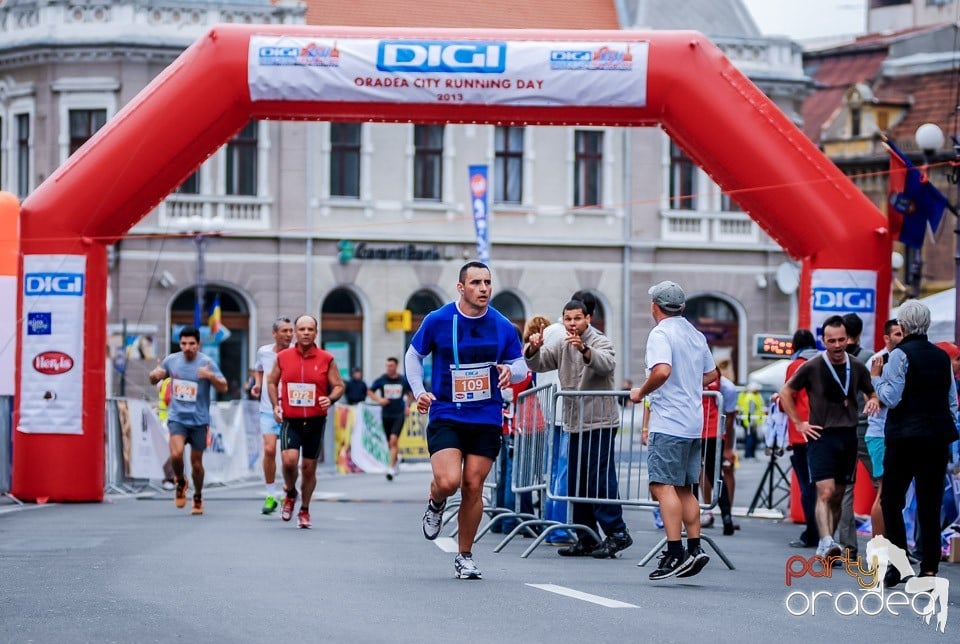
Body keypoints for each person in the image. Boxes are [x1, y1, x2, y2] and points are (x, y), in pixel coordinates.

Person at [406, 261, 527, 580]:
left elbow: (521, 366)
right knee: (449, 482)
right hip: (447, 412)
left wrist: (508, 371)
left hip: (486, 416)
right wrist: (419, 391)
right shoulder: (439, 319)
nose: (484, 288)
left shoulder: (502, 325)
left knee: (474, 485)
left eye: (487, 282)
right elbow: (414, 355)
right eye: (476, 283)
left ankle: (465, 556)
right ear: (461, 287)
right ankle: (436, 502)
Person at [525, 299, 632, 559]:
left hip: (599, 421)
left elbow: (606, 364)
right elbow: (538, 365)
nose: (572, 324)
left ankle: (617, 532)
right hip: (574, 422)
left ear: (588, 319)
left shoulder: (599, 340)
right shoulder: (562, 343)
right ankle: (587, 536)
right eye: (567, 319)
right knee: (576, 481)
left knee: (599, 479)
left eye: (577, 318)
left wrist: (585, 349)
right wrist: (532, 349)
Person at [630, 281, 717, 580]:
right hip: (693, 421)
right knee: (684, 488)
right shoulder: (694, 333)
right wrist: (689, 383)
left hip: (668, 420)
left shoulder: (661, 333)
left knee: (662, 486)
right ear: (681, 307)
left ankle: (674, 551)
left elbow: (662, 370)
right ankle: (695, 548)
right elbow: (712, 374)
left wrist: (641, 392)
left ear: (655, 306)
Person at [872, 300, 959, 586]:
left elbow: (891, 397)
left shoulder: (899, 355)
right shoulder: (941, 357)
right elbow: (951, 401)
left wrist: (876, 379)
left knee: (891, 499)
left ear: (904, 326)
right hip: (936, 437)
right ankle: (930, 566)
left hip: (904, 437)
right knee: (929, 502)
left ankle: (899, 563)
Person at [779, 316, 879, 561]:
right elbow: (785, 393)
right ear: (823, 341)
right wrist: (799, 423)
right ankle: (824, 541)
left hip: (848, 435)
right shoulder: (812, 366)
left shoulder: (856, 366)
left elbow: (870, 390)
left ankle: (830, 542)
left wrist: (874, 399)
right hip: (821, 436)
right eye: (831, 341)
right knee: (825, 491)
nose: (837, 345)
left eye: (841, 340)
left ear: (848, 339)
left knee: (838, 495)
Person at [266, 314, 345, 529]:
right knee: (289, 461)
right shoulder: (283, 357)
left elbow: (339, 385)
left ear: (316, 332)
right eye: (302, 329)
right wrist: (276, 405)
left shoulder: (326, 359)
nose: (306, 333)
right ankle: (290, 492)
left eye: (310, 329)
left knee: (309, 468)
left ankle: (304, 509)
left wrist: (330, 398)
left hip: (315, 420)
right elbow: (271, 382)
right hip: (291, 418)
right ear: (296, 332)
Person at [149, 326, 228, 515]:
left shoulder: (207, 362)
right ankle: (181, 481)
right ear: (180, 343)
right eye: (184, 343)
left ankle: (198, 495)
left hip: (199, 420)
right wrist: (154, 376)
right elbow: (155, 377)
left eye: (191, 343)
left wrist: (209, 376)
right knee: (176, 455)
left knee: (197, 463)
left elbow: (223, 386)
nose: (187, 347)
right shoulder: (172, 361)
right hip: (177, 418)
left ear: (198, 344)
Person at [250, 316, 294, 514]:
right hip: (268, 409)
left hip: (292, 410)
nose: (289, 334)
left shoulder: (296, 352)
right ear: (274, 334)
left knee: (288, 458)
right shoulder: (264, 352)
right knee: (269, 450)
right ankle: (270, 494)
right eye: (284, 331)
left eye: (290, 331)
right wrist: (258, 385)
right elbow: (259, 369)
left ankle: (289, 492)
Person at [863, 319, 903, 537]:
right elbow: (872, 394)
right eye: (897, 334)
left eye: (903, 333)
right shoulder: (878, 360)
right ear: (886, 338)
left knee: (894, 493)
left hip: (898, 433)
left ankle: (893, 543)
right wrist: (875, 398)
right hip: (880, 434)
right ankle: (880, 546)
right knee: (884, 491)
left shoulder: (903, 359)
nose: (901, 338)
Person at [782, 329, 820, 549]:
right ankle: (824, 532)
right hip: (823, 429)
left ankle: (812, 532)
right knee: (823, 484)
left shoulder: (796, 366)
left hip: (801, 432)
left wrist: (780, 402)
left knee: (807, 485)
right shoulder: (824, 363)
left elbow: (789, 396)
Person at [700, 372, 739, 535]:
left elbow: (730, 418)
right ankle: (725, 516)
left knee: (697, 475)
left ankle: (718, 513)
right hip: (714, 433)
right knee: (715, 475)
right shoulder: (716, 385)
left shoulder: (727, 388)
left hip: (700, 431)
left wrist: (729, 448)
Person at [368, 357, 412, 480]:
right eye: (387, 366)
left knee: (393, 439)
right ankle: (396, 459)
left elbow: (410, 394)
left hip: (398, 414)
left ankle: (391, 468)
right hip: (386, 414)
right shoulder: (382, 380)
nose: (389, 368)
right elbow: (370, 392)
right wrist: (379, 400)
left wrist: (408, 406)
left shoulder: (402, 380)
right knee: (390, 443)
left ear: (396, 366)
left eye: (391, 366)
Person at [737, 382, 765, 459]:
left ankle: (749, 454)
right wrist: (753, 424)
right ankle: (749, 454)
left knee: (750, 438)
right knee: (750, 438)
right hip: (751, 422)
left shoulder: (752, 396)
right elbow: (751, 411)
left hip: (749, 421)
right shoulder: (752, 397)